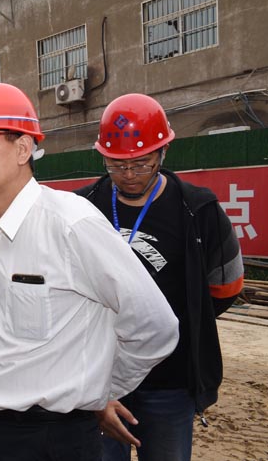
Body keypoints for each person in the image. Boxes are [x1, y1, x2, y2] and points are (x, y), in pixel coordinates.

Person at [0, 83, 179, 461]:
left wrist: (102, 390)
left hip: (53, 440)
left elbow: (156, 325)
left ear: (23, 148)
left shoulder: (70, 223)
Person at [76, 93, 244, 461]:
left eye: (141, 164)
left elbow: (227, 285)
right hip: (101, 377)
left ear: (163, 152)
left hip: (170, 381)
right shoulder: (81, 208)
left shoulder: (198, 209)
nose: (129, 175)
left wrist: (179, 320)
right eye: (117, 165)